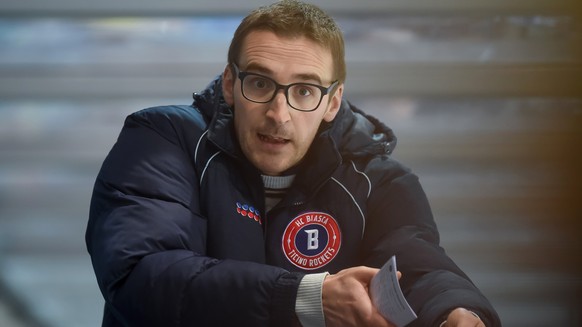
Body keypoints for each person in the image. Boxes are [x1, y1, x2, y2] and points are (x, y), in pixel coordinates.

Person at [86, 1, 501, 326]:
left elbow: (418, 266)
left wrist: (456, 311)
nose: (279, 114)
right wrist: (304, 297)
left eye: (304, 91)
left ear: (332, 103)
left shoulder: (379, 182)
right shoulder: (163, 139)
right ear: (230, 84)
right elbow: (140, 274)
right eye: (261, 83)